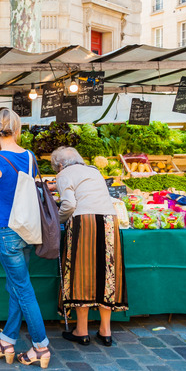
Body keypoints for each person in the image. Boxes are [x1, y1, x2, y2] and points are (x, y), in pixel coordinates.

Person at [0, 108, 51, 368]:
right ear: (18, 130)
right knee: (16, 286)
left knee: (22, 288)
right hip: (27, 229)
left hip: (6, 232)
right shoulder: (30, 157)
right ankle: (6, 341)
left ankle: (41, 346)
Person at [50, 146, 128, 347]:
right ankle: (105, 330)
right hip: (110, 220)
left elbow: (68, 204)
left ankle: (82, 330)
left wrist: (55, 221)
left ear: (59, 165)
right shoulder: (94, 171)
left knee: (82, 273)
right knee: (107, 273)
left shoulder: (64, 174)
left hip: (84, 222)